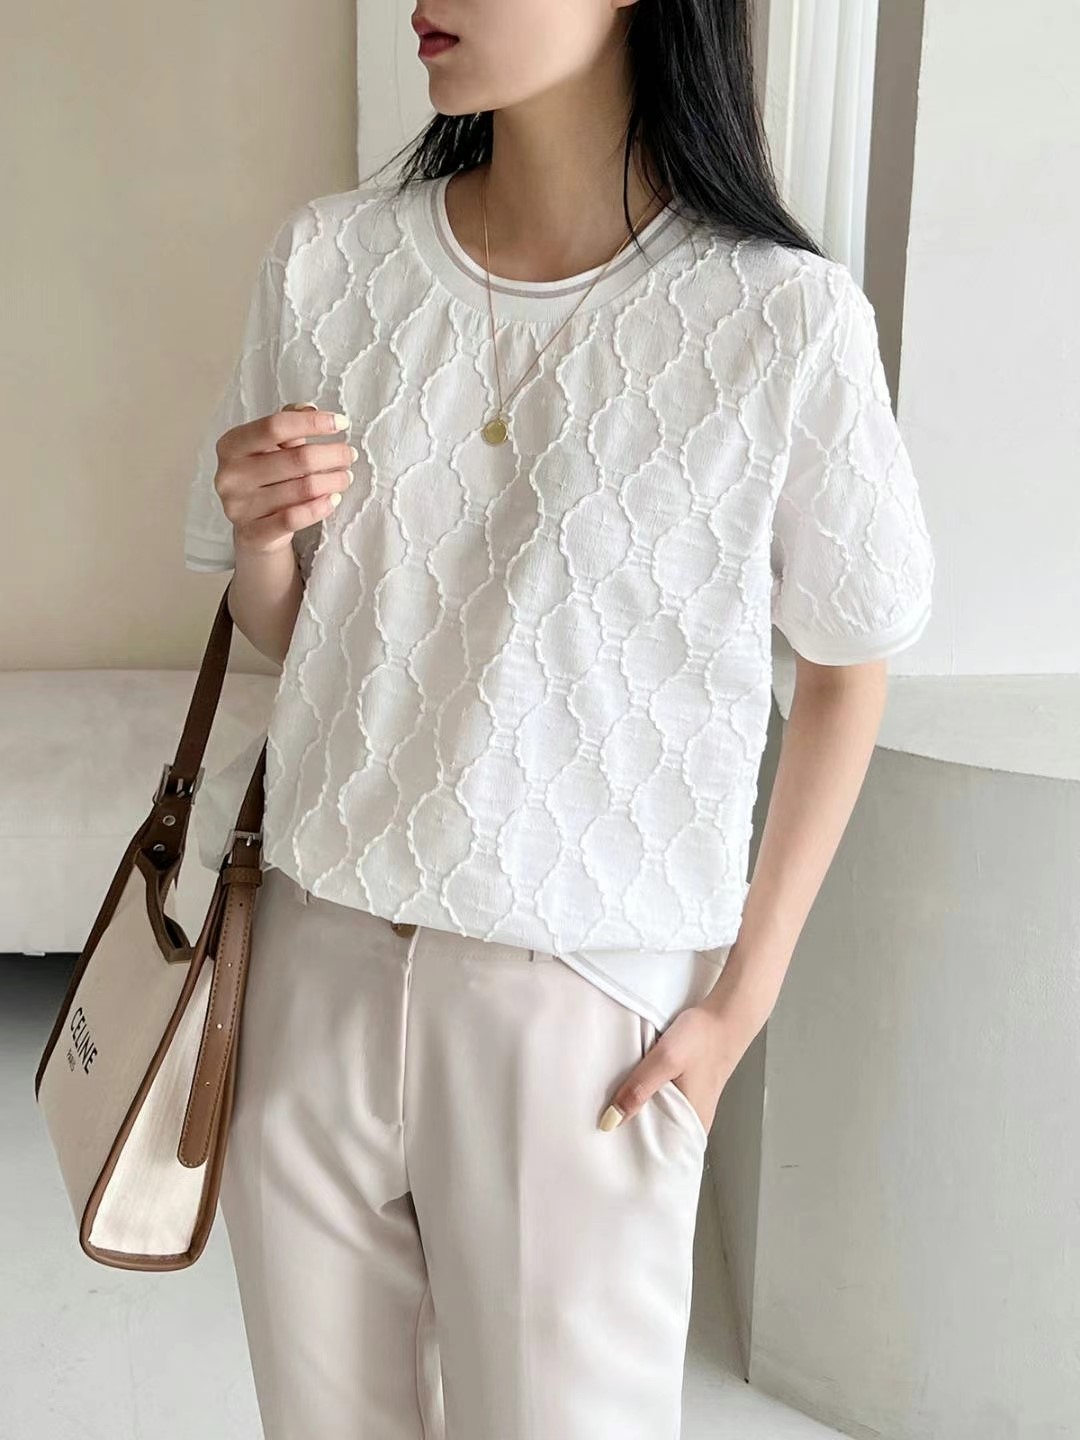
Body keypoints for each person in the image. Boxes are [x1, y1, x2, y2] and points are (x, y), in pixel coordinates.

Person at [183, 1, 935, 1436]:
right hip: (317, 959)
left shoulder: (780, 319)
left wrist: (738, 1003)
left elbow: (851, 664)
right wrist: (265, 538)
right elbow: (300, 633)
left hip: (584, 999)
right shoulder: (329, 262)